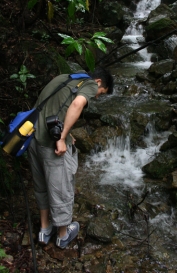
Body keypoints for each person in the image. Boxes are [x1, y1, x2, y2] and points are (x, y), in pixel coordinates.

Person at [28, 67, 114, 249]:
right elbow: (76, 105)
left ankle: (44, 230)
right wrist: (61, 138)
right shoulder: (90, 84)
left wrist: (67, 133)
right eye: (100, 93)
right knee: (61, 189)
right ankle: (62, 235)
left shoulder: (64, 78)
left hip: (33, 138)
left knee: (41, 186)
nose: (96, 97)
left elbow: (52, 107)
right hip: (50, 143)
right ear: (98, 82)